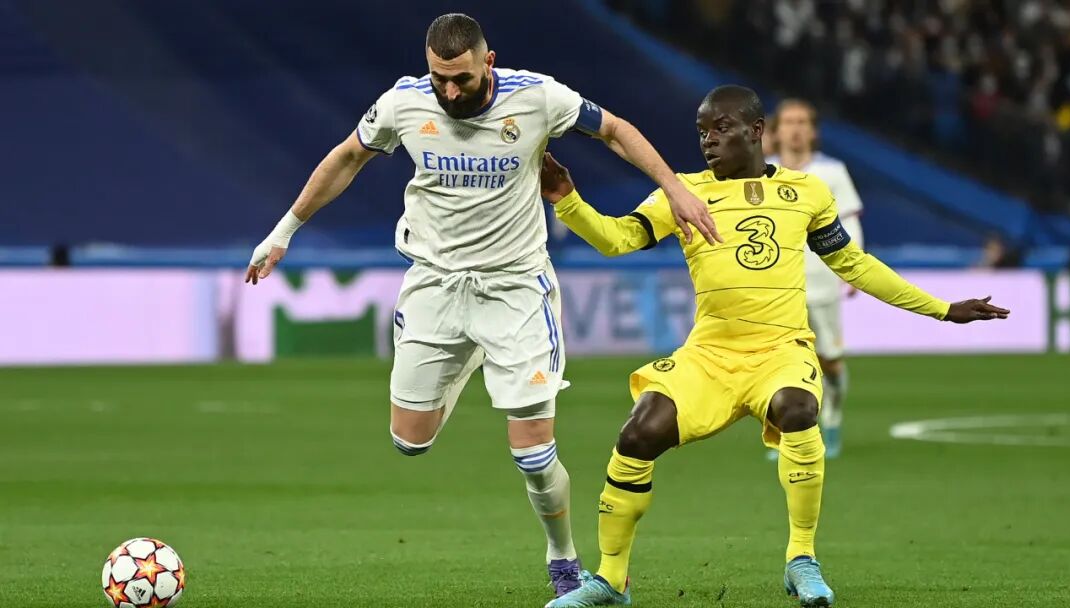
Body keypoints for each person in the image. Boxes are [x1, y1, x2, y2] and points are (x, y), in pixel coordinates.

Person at [243, 13, 719, 598]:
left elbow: (615, 130)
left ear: (487, 62)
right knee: (409, 441)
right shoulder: (403, 103)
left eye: (461, 79)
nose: (449, 92)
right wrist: (284, 231)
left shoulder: (538, 97)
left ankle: (563, 558)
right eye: (439, 78)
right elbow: (347, 157)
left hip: (515, 290)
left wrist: (675, 188)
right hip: (435, 286)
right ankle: (467, 357)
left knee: (533, 453)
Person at [539, 85, 1009, 608]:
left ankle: (801, 559)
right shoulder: (683, 192)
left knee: (799, 409)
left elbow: (854, 265)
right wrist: (568, 201)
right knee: (637, 434)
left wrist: (941, 308)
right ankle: (611, 579)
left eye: (721, 128)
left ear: (756, 131)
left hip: (781, 350)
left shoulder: (806, 191)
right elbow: (616, 239)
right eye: (702, 132)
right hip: (710, 356)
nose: (708, 141)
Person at [769, 98, 864, 458]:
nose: (795, 129)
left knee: (829, 361)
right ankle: (786, 433)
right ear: (776, 131)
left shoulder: (833, 172)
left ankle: (833, 416)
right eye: (788, 122)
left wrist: (853, 268)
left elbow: (850, 220)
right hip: (776, 286)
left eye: (802, 122)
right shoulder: (761, 172)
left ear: (813, 131)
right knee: (779, 363)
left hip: (822, 282)